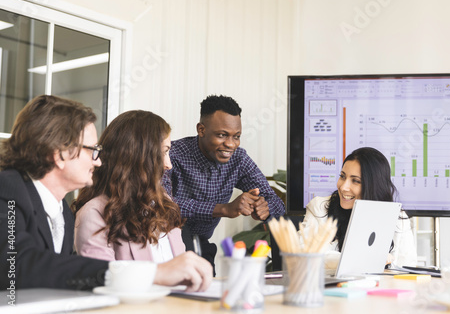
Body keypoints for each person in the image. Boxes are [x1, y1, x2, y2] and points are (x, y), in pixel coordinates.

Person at [0, 95, 212, 292]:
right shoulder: (7, 189)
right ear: (60, 154)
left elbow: (59, 278)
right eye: (92, 150)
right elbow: (15, 264)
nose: (98, 160)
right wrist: (153, 273)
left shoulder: (61, 210)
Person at [162, 95, 285, 268]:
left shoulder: (239, 159)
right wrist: (223, 209)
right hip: (163, 245)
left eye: (236, 136)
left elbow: (276, 203)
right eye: (222, 135)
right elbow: (162, 205)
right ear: (201, 130)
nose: (230, 144)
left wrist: (265, 208)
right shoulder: (171, 155)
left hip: (202, 247)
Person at [73, 110, 185, 263]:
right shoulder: (95, 214)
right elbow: (103, 277)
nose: (169, 165)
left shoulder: (164, 204)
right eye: (163, 153)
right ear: (138, 157)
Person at [299, 147, 417, 269]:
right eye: (342, 176)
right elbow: (305, 254)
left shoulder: (398, 218)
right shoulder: (319, 207)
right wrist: (362, 259)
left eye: (355, 181)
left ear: (374, 186)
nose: (344, 187)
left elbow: (407, 269)